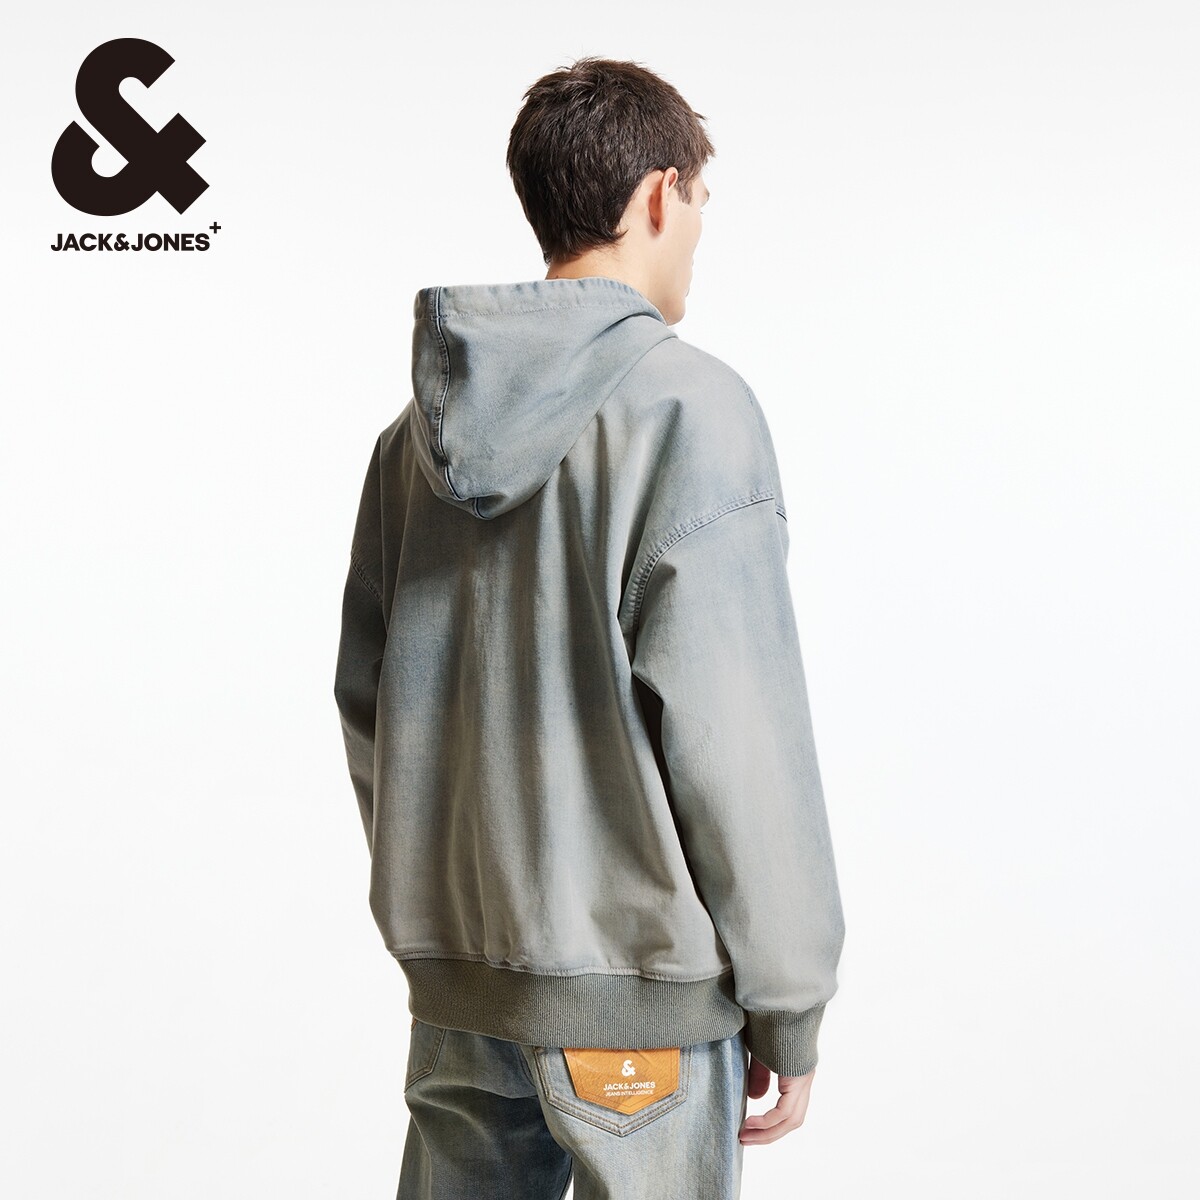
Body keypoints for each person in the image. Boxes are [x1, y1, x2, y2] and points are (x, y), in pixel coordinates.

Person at [334, 55, 845, 1200]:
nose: (700, 227)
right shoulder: (692, 411)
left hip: (463, 990)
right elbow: (735, 733)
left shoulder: (412, 444)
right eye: (701, 198)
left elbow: (372, 707)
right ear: (660, 195)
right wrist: (788, 999)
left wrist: (448, 914)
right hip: (638, 1001)